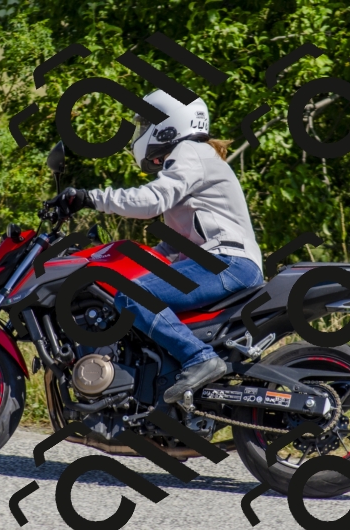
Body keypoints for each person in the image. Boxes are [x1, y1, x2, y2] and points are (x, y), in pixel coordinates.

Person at [46, 89, 263, 404]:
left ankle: (200, 358)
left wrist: (90, 198)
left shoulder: (190, 151)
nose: (142, 131)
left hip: (227, 262)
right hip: (224, 263)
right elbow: (173, 248)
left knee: (133, 296)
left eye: (146, 123)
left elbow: (151, 201)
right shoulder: (196, 159)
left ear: (169, 124)